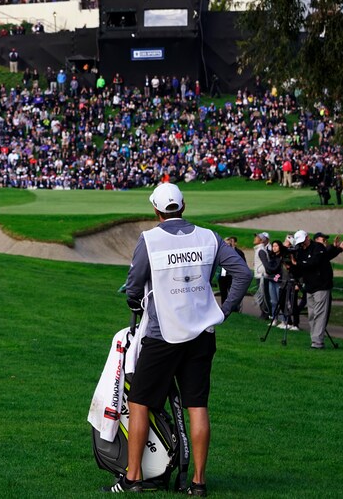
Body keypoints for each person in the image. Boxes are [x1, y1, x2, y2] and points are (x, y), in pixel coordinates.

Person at [103, 183, 251, 494]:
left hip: (162, 334)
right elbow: (243, 273)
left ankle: (134, 477)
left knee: (140, 401)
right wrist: (224, 309)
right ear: (183, 205)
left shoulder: (150, 239)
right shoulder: (208, 237)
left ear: (156, 210)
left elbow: (134, 284)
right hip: (202, 333)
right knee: (196, 405)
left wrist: (133, 299)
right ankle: (198, 482)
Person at [288, 230, 343, 349]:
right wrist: (292, 265)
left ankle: (317, 342)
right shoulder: (301, 251)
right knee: (312, 315)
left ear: (308, 238)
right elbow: (300, 269)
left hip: (321, 285)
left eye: (303, 241)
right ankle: (315, 339)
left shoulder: (318, 247)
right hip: (309, 287)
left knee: (320, 314)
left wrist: (298, 262)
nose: (302, 244)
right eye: (300, 243)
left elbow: (313, 263)